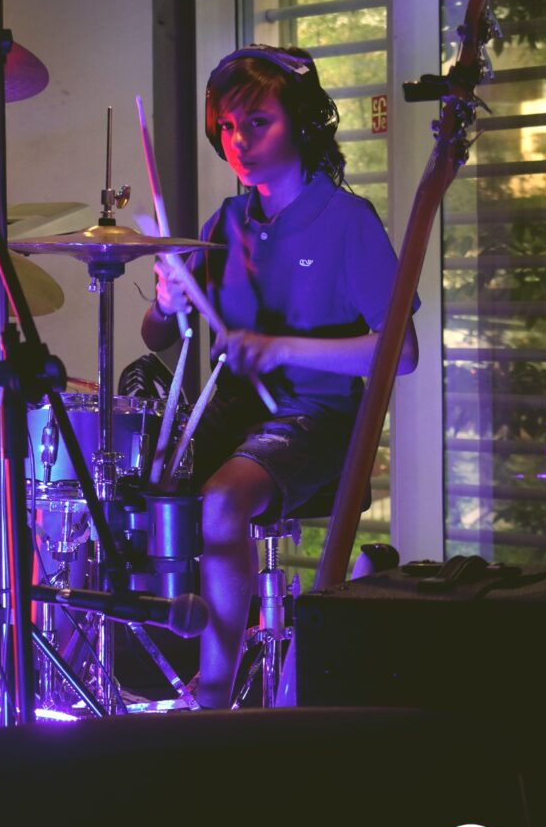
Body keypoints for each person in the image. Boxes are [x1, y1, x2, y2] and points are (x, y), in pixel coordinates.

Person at [140, 45, 419, 710]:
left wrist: (280, 348)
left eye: (257, 122)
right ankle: (152, 663)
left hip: (316, 417)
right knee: (133, 481)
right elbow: (156, 340)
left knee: (220, 499)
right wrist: (166, 303)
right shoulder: (228, 222)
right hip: (235, 412)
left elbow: (400, 353)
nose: (238, 141)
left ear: (303, 121)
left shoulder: (347, 220)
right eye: (227, 126)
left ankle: (213, 695)